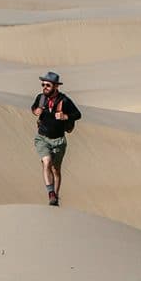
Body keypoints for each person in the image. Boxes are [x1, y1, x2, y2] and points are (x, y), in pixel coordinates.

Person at [31, 71, 82, 206]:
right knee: (46, 162)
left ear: (55, 86)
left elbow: (78, 114)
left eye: (47, 85)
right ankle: (51, 193)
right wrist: (36, 111)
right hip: (42, 138)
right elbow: (34, 108)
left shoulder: (64, 101)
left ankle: (55, 197)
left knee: (56, 170)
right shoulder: (41, 98)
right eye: (43, 84)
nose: (44, 87)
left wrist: (66, 117)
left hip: (58, 140)